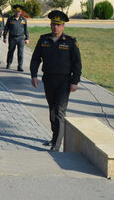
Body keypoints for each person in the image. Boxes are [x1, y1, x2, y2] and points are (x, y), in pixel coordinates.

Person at [30, 10, 82, 152]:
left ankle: (57, 145)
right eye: (53, 24)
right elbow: (35, 59)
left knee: (59, 111)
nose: (55, 28)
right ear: (50, 25)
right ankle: (54, 137)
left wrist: (75, 82)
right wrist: (34, 75)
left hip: (64, 81)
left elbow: (77, 64)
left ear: (63, 26)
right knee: (52, 110)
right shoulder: (44, 40)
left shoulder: (70, 42)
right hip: (48, 80)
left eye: (58, 25)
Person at [3, 4, 29, 71]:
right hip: (12, 38)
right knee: (11, 51)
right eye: (16, 11)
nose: (17, 13)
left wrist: (27, 38)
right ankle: (8, 63)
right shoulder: (10, 19)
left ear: (21, 12)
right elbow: (6, 29)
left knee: (20, 53)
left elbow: (26, 29)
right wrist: (4, 37)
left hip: (21, 38)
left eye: (19, 12)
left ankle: (20, 66)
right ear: (14, 12)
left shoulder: (24, 20)